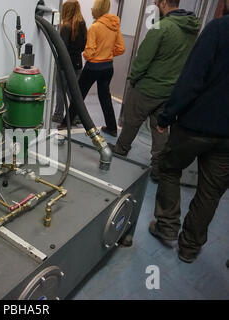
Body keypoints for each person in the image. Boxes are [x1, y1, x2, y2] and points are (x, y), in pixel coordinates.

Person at [149, 3, 229, 264]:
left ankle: (167, 226)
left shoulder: (219, 29)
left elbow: (192, 78)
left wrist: (167, 115)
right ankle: (190, 247)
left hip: (195, 125)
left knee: (169, 167)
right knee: (210, 192)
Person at [111, 0, 201, 182]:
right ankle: (157, 168)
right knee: (160, 129)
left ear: (164, 3)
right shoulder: (193, 30)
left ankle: (120, 153)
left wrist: (133, 79)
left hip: (147, 88)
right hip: (170, 91)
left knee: (131, 123)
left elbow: (143, 59)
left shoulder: (162, 27)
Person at [59, 0, 125, 135]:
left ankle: (67, 122)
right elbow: (121, 48)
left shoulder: (95, 27)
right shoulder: (114, 25)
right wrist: (108, 53)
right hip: (108, 67)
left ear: (97, 9)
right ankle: (112, 128)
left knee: (79, 95)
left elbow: (89, 52)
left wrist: (91, 56)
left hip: (94, 67)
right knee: (105, 96)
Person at [52, 0, 87, 124]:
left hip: (64, 65)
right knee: (73, 91)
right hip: (77, 64)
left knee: (61, 89)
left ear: (66, 10)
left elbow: (62, 48)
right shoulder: (82, 25)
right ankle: (76, 116)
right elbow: (83, 46)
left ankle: (58, 115)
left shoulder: (65, 27)